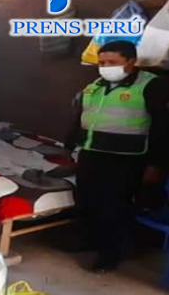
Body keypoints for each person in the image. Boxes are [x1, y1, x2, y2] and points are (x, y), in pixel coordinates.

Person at [67, 40, 169, 273]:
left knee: (113, 208)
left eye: (112, 62)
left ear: (131, 61)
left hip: (125, 158)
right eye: (102, 62)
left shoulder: (151, 85)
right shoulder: (95, 85)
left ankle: (111, 254)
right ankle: (89, 241)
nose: (105, 67)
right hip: (91, 153)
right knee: (86, 200)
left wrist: (156, 165)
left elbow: (163, 128)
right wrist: (69, 147)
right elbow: (81, 118)